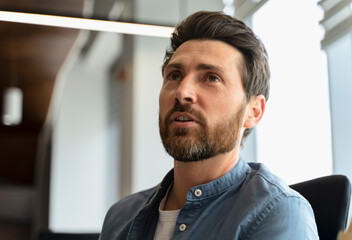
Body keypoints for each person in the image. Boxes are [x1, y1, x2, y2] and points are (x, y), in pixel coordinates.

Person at [100, 11, 319, 239]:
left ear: (253, 112)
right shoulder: (121, 216)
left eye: (211, 78)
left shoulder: (276, 212)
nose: (182, 92)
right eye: (174, 75)